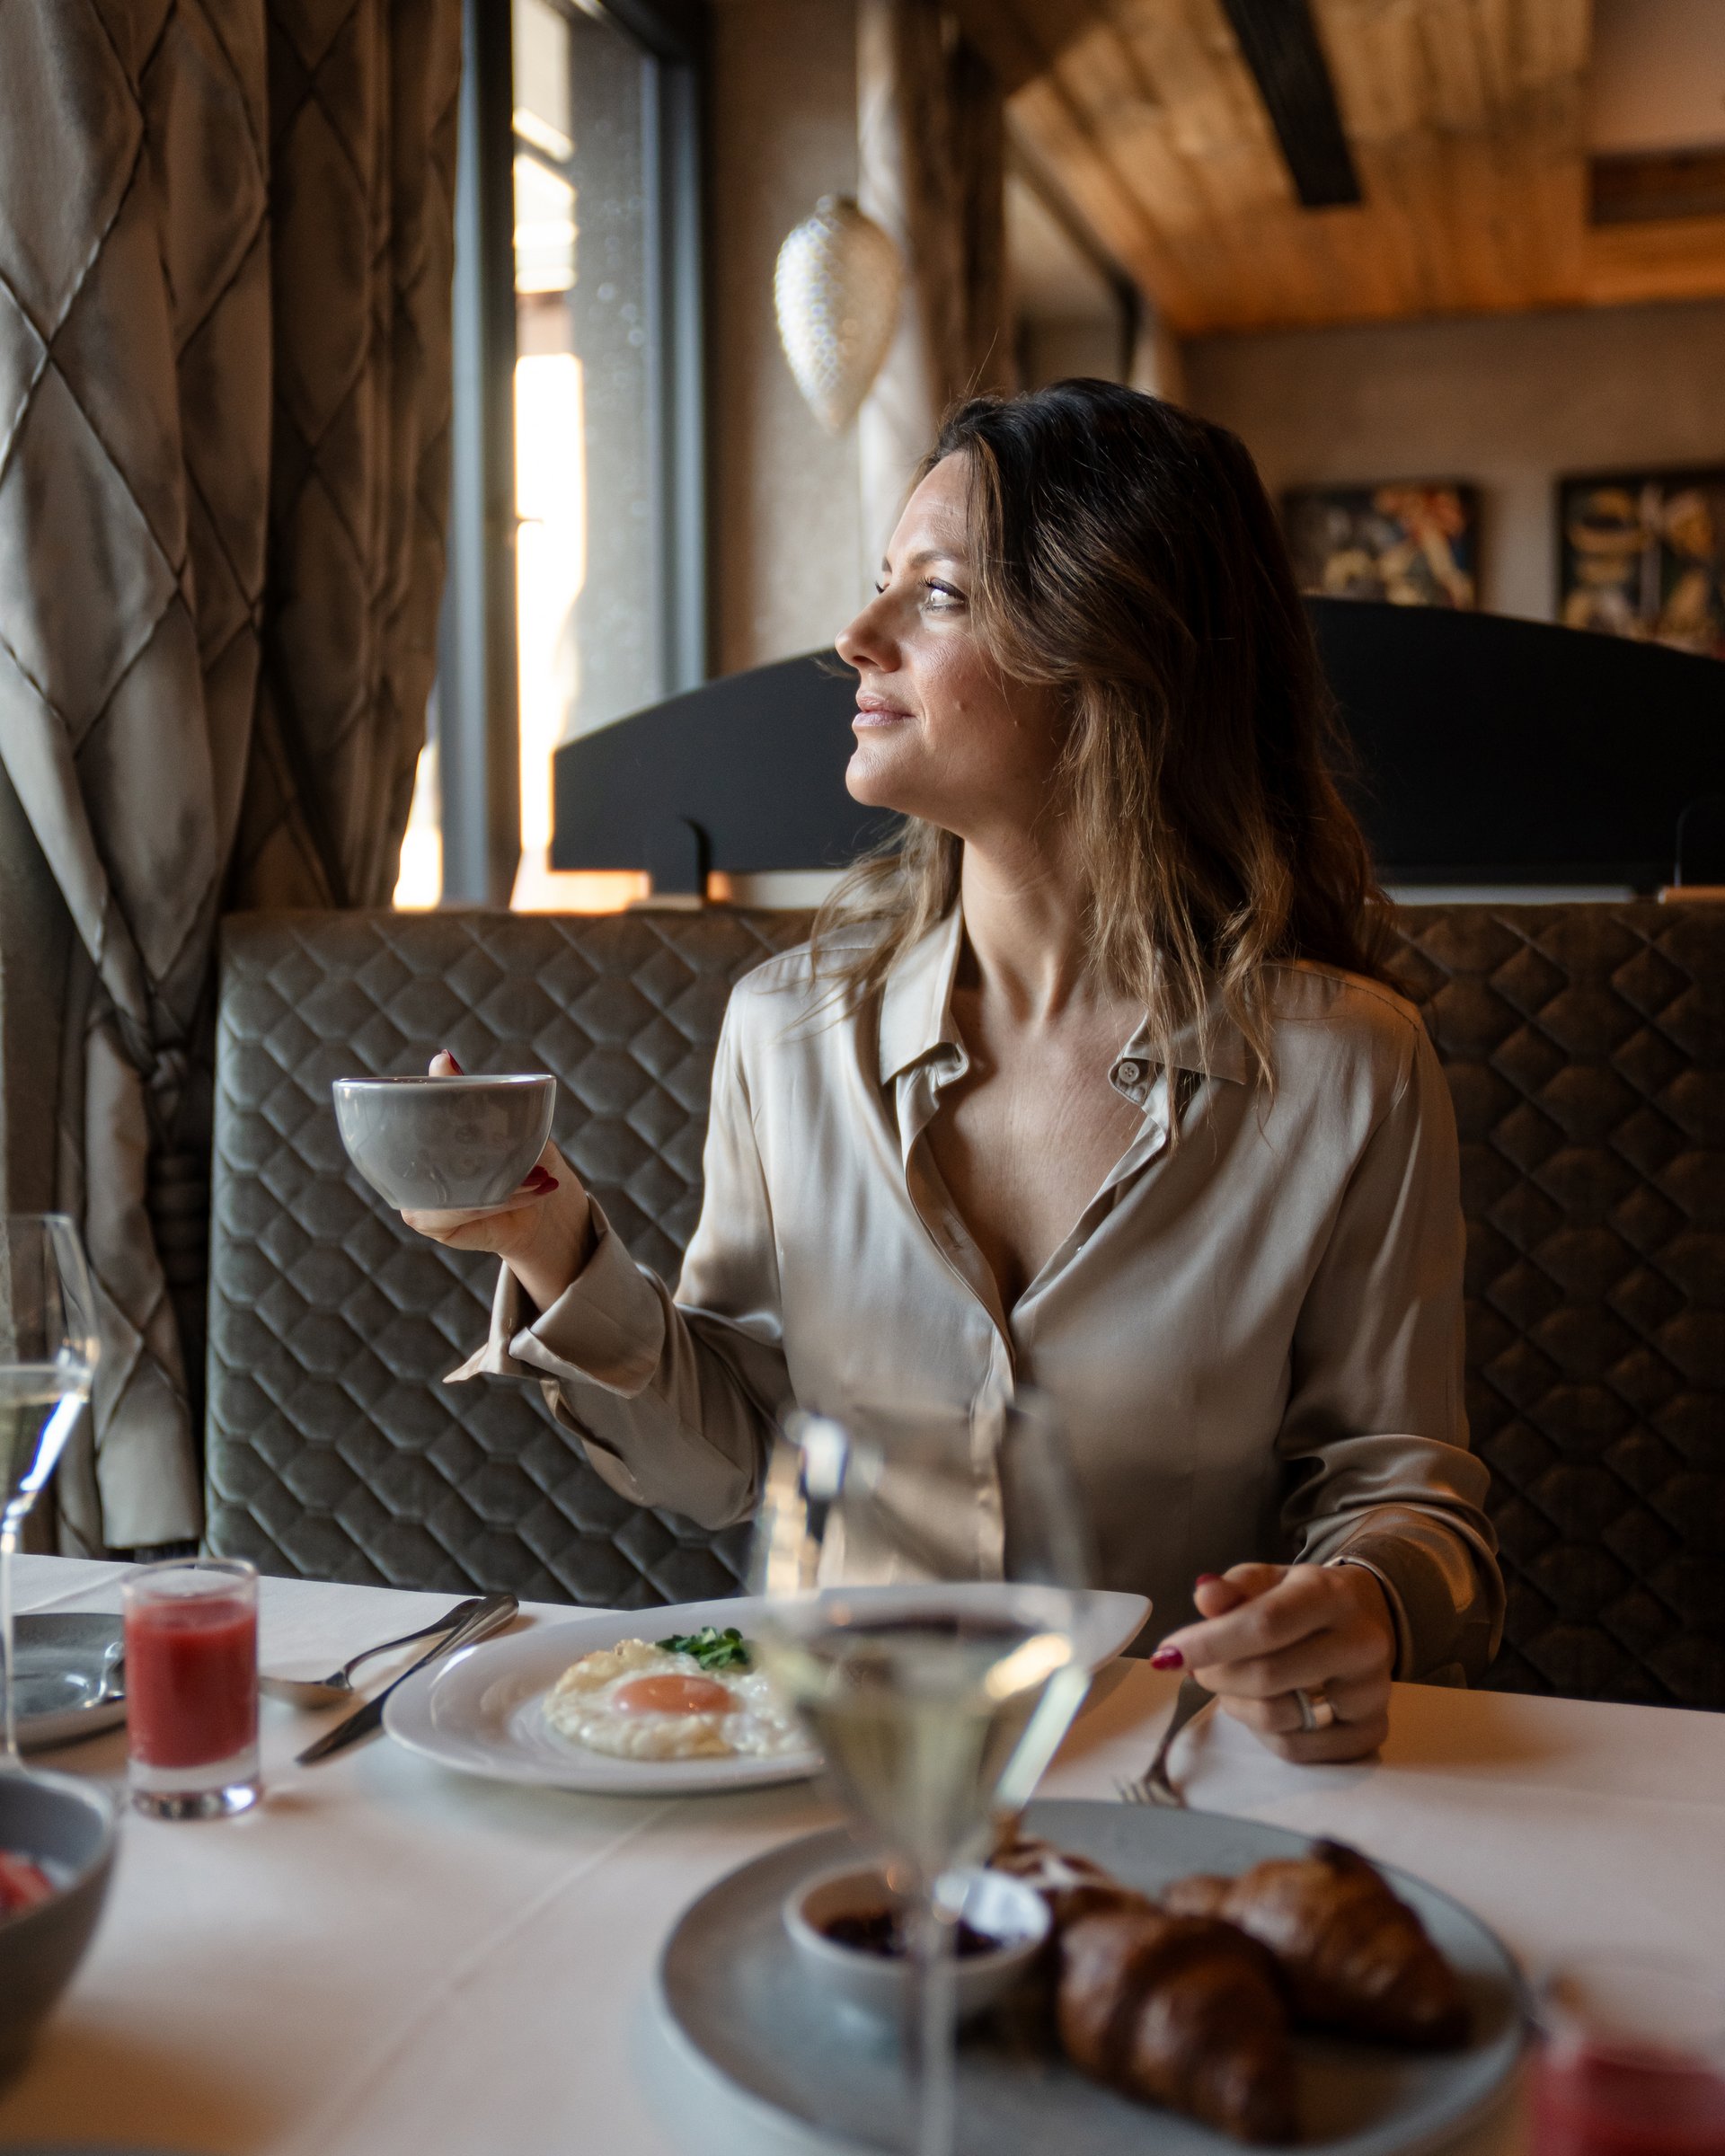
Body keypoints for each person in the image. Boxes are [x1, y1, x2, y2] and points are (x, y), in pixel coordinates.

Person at [409, 381, 1502, 1763]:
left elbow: (1405, 1498)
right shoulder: (784, 1033)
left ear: (1112, 651)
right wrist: (554, 1246)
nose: (855, 640)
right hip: (831, 1771)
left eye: (934, 596)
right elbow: (726, 1459)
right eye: (884, 589)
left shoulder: (1351, 1072)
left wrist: (1366, 1600)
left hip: (1166, 1774)